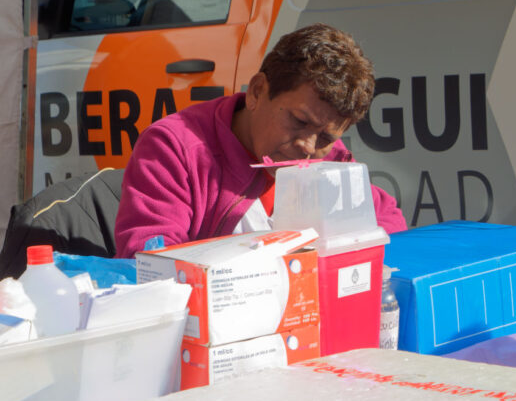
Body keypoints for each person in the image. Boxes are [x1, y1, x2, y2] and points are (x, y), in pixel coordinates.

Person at [115, 23, 407, 257]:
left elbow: (389, 223)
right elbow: (150, 260)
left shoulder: (327, 157)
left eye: (325, 137)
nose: (306, 146)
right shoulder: (175, 149)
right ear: (257, 91)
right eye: (299, 121)